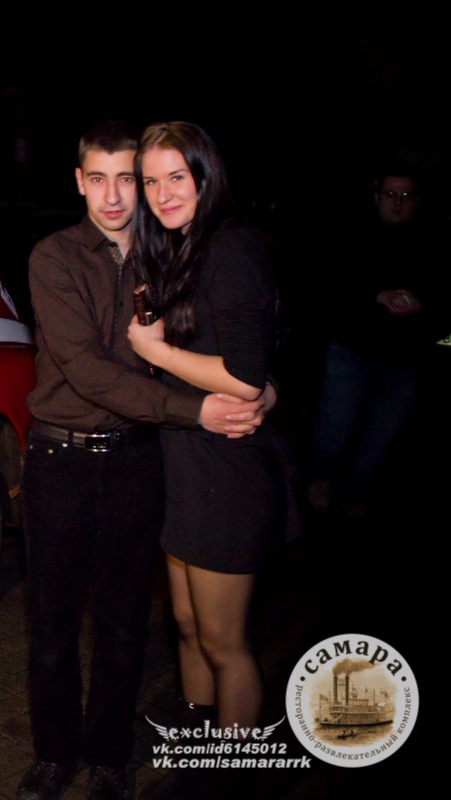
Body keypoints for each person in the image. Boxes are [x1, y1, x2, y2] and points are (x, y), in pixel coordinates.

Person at [18, 120, 268, 800]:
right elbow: (88, 372)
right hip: (61, 460)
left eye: (128, 179)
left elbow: (228, 341)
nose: (113, 197)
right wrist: (197, 409)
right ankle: (54, 754)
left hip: (139, 461)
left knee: (126, 623)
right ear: (79, 182)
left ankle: (109, 757)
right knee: (52, 625)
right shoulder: (54, 257)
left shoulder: (171, 259)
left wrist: (261, 386)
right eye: (98, 179)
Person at [126, 122, 293, 750]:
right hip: (185, 464)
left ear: (204, 176)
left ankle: (234, 763)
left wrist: (156, 351)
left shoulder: (231, 248)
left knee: (224, 640)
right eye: (152, 182)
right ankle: (198, 729)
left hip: (228, 469)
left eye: (177, 177)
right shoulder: (178, 250)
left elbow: (245, 378)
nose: (164, 194)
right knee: (188, 622)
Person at [306, 166, 443, 518]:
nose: (398, 203)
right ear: (376, 195)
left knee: (381, 435)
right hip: (351, 350)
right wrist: (376, 296)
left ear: (418, 199)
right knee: (334, 425)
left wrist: (421, 305)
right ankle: (322, 480)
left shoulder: (433, 240)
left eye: (406, 196)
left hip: (405, 359)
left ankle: (355, 493)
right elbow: (328, 284)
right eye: (391, 195)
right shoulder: (353, 232)